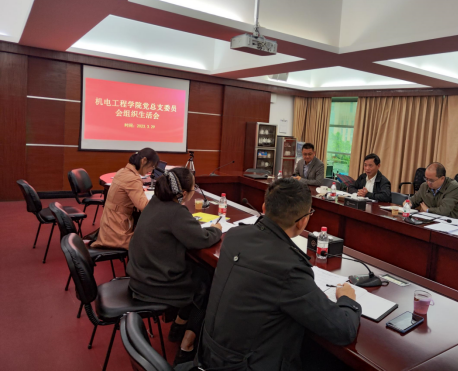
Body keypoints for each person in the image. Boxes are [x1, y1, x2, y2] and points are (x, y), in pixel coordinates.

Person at [197, 178, 361, 371]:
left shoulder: (233, 236)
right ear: (303, 221)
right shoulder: (289, 267)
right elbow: (342, 330)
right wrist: (347, 300)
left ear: (264, 207)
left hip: (209, 355)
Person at [127, 167, 222, 365]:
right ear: (184, 193)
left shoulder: (155, 202)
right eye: (193, 188)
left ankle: (179, 326)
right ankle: (187, 345)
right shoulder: (176, 212)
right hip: (154, 284)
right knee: (209, 283)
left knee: (200, 272)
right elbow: (202, 239)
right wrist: (216, 229)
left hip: (139, 276)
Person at [92, 148, 159, 249]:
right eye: (152, 166)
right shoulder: (133, 179)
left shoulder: (122, 171)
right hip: (118, 232)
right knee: (154, 242)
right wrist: (160, 199)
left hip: (108, 226)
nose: (151, 170)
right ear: (144, 161)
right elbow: (144, 207)